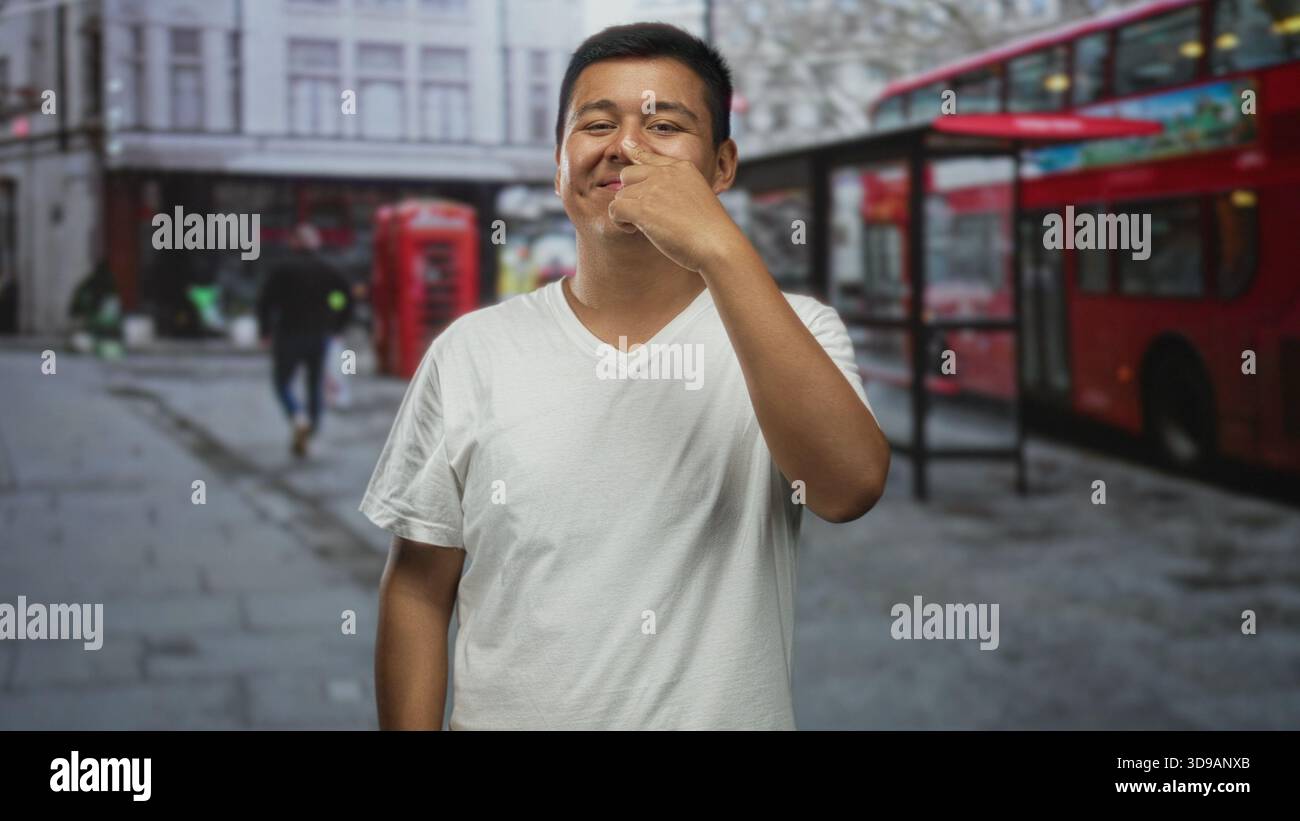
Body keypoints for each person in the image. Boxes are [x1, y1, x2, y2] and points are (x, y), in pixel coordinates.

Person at [361, 22, 890, 730]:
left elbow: (848, 487)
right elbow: (419, 591)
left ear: (722, 166)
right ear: (559, 164)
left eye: (664, 124)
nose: (626, 146)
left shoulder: (796, 332)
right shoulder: (471, 352)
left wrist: (719, 250)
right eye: (598, 123)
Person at [257, 223, 353, 458]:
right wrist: (337, 323)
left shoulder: (283, 270)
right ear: (316, 243)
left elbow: (266, 301)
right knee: (314, 384)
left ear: (294, 243)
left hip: (288, 333)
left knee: (282, 382)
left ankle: (296, 415)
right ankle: (310, 432)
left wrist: (265, 330)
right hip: (319, 334)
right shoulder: (328, 270)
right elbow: (344, 298)